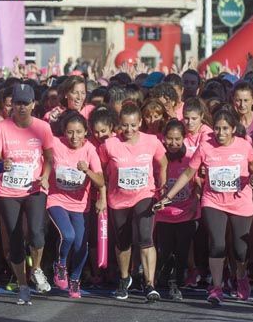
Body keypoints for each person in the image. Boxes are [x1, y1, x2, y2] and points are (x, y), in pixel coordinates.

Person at [158, 109, 253, 306]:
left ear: (233, 129)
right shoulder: (205, 147)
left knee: (240, 250)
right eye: (218, 129)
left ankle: (241, 275)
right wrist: (168, 196)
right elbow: (188, 173)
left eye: (225, 129)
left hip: (240, 202)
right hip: (213, 200)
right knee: (217, 244)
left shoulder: (244, 146)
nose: (220, 133)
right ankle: (217, 287)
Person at [0, 83, 55, 305]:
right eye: (17, 103)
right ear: (12, 105)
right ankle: (23, 285)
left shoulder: (43, 128)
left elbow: (49, 157)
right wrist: (1, 165)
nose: (21, 107)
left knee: (36, 233)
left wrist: (46, 175)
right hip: (9, 189)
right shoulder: (2, 128)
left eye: (26, 103)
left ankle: (36, 268)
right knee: (15, 239)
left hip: (35, 187)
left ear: (33, 104)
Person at [99, 102, 167, 301]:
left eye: (133, 125)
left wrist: (161, 185)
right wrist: (104, 189)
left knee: (146, 238)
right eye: (125, 125)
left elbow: (163, 162)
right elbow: (101, 167)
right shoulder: (110, 144)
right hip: (118, 199)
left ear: (140, 123)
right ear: (119, 125)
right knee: (123, 242)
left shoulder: (152, 141)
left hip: (144, 194)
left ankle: (149, 284)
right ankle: (124, 278)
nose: (129, 130)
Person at [46, 112, 105, 299]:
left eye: (79, 132)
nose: (74, 137)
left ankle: (75, 279)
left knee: (81, 245)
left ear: (85, 132)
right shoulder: (56, 144)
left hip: (80, 205)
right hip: (56, 199)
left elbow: (101, 181)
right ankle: (61, 264)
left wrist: (87, 170)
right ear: (64, 132)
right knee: (68, 235)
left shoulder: (89, 150)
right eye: (70, 132)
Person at [153, 120, 198, 301]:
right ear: (163, 138)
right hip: (164, 214)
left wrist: (197, 200)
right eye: (169, 139)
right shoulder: (158, 157)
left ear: (184, 138)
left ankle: (176, 282)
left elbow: (200, 181)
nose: (173, 143)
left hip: (186, 212)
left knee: (182, 250)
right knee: (165, 249)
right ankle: (165, 276)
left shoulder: (191, 157)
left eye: (177, 139)